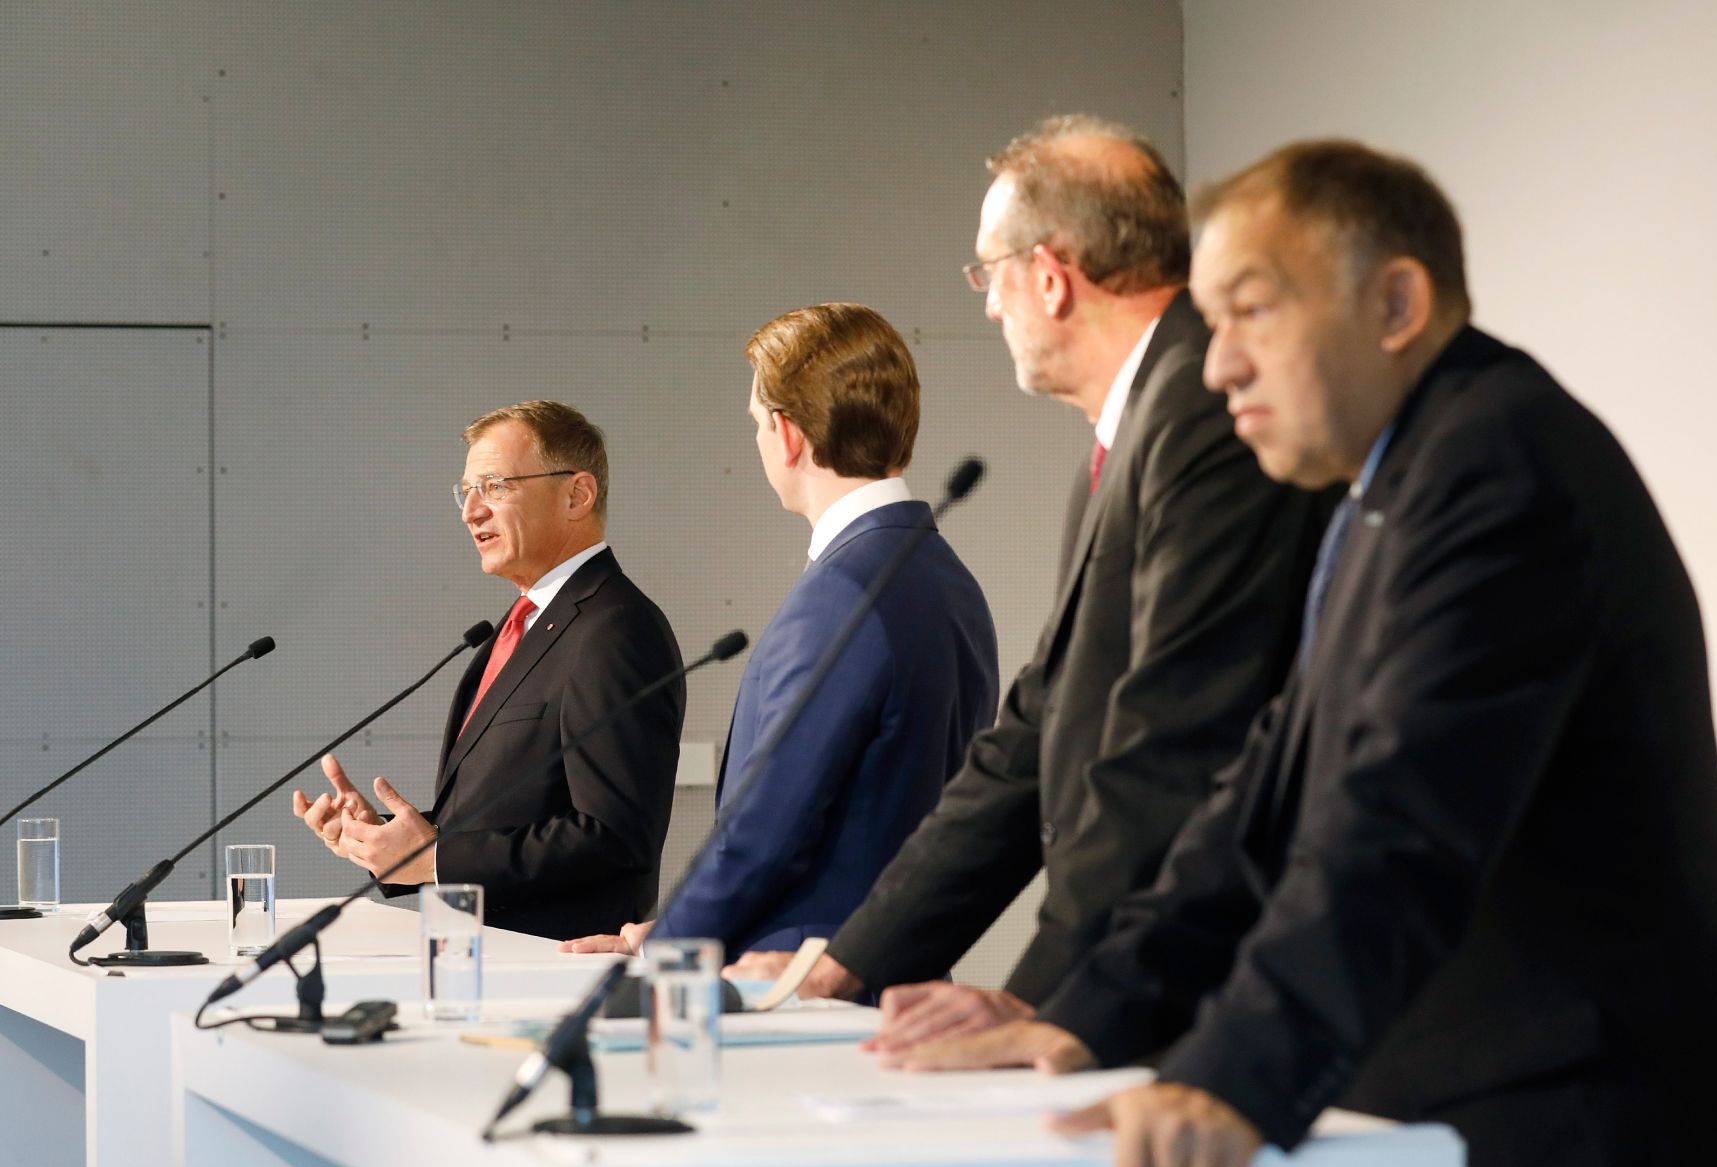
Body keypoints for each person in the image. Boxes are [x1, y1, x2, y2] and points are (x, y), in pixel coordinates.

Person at [889, 140, 1717, 1167]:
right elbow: (1259, 808)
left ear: (1394, 302)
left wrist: (1231, 1076)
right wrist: (1077, 1015)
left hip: (1587, 1149)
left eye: (1249, 313)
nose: (1215, 368)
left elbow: (1393, 826)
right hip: (1485, 1124)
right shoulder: (1389, 488)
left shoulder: (1496, 468)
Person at [733, 116, 1328, 1031]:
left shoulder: (1200, 413)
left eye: (987, 274)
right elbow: (1031, 741)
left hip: (1204, 990)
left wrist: (1037, 998)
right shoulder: (1136, 428)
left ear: (1049, 278)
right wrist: (848, 962)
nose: (985, 306)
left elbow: (1171, 750)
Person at [560, 304, 998, 961]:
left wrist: (671, 949)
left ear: (787, 435)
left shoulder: (840, 595)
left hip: (796, 990)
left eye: (757, 423)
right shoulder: (952, 581)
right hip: (889, 973)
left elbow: (762, 833)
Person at [292, 400, 685, 941]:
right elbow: (498, 819)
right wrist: (388, 843)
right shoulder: (518, 627)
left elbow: (614, 835)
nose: (470, 511)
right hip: (479, 960)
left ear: (577, 494)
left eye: (495, 486)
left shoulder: (615, 628)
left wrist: (433, 859)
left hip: (556, 969)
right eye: (466, 491)